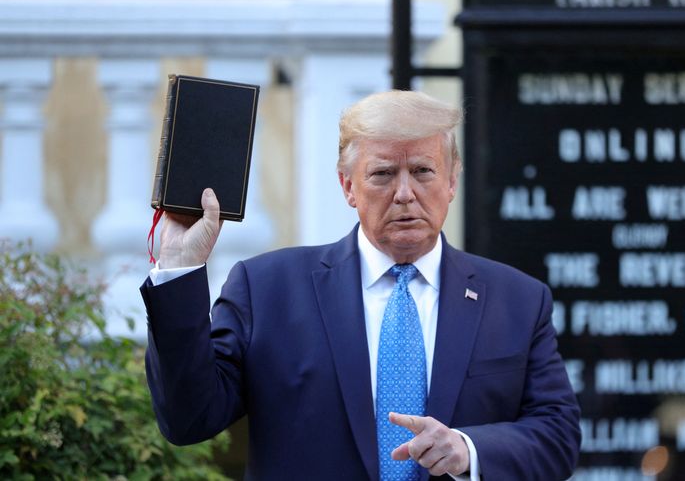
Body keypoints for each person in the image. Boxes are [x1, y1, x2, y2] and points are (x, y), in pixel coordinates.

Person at [140, 90, 580, 480]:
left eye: (423, 171)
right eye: (383, 174)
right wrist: (180, 267)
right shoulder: (267, 288)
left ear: (451, 181)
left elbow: (557, 436)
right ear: (348, 185)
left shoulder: (518, 299)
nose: (405, 193)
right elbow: (188, 419)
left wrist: (468, 449)